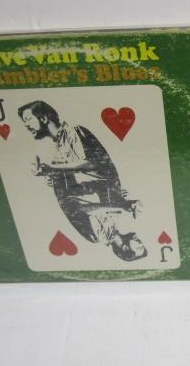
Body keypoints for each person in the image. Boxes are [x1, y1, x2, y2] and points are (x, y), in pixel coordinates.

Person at [18, 100, 146, 261]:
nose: (26, 125)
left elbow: (84, 203)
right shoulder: (63, 140)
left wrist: (52, 172)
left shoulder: (98, 236)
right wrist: (120, 197)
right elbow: (91, 174)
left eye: (28, 119)